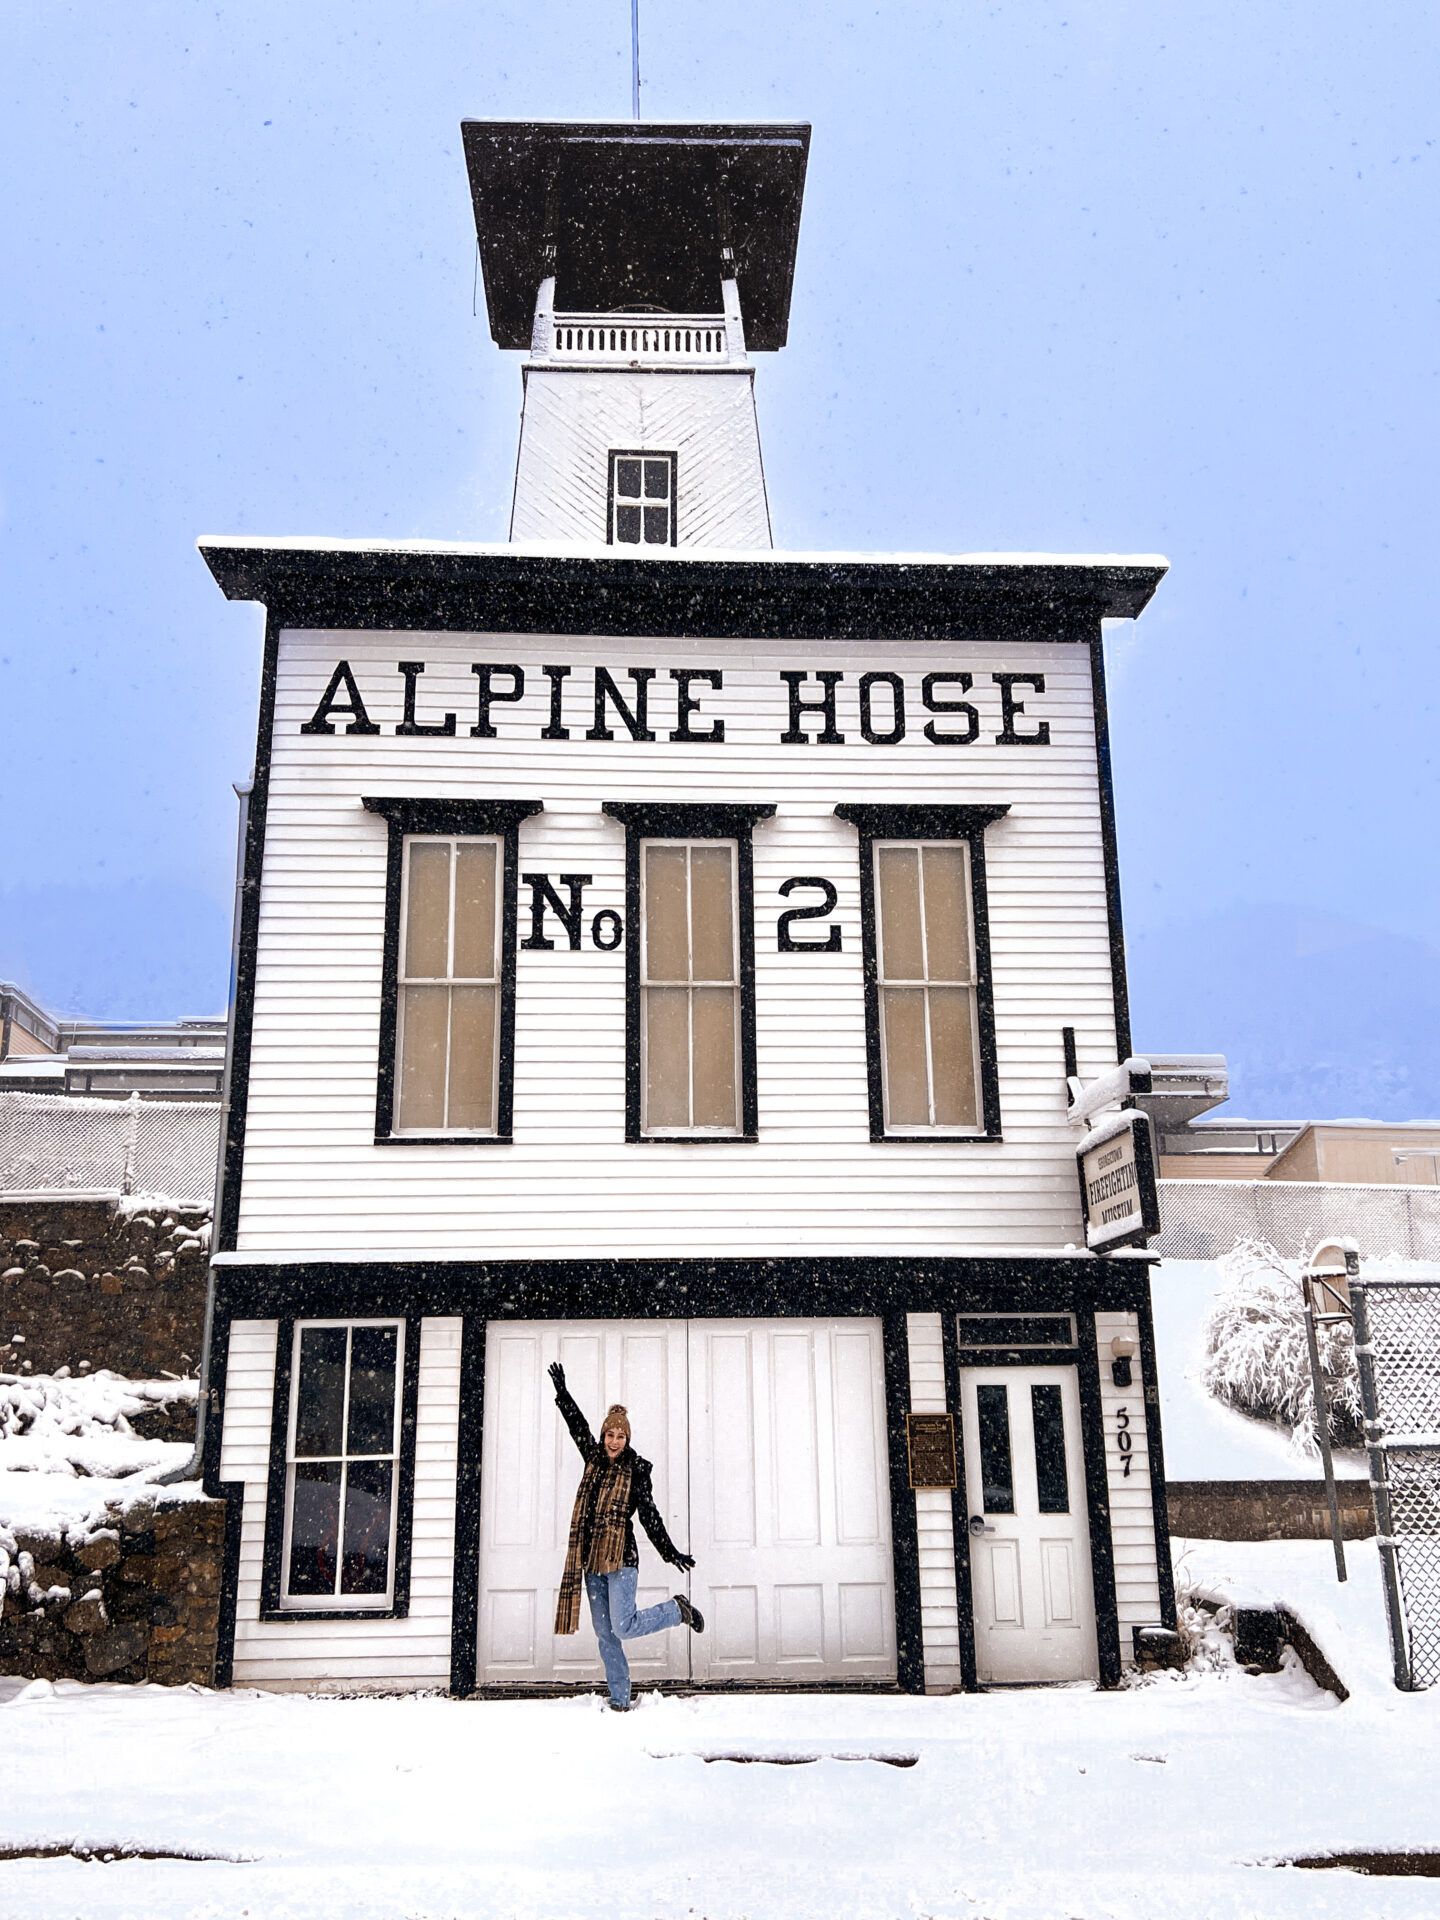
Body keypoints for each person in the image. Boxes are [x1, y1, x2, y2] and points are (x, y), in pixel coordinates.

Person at [548, 1360, 704, 1711]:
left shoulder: (636, 1472)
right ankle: (619, 1697)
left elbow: (648, 1515)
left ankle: (676, 1611)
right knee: (605, 1634)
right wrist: (563, 1395)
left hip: (621, 1559)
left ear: (627, 1439)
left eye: (621, 1436)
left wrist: (670, 1551)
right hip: (591, 1559)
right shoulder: (593, 1459)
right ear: (603, 1437)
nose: (614, 1441)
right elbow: (578, 1426)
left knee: (624, 1626)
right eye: (610, 1435)